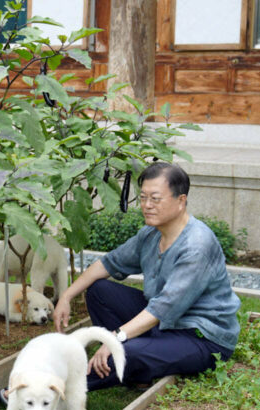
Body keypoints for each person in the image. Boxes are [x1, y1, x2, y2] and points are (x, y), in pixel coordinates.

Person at [51, 161, 241, 390]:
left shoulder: (196, 245)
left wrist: (115, 338)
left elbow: (164, 307)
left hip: (201, 338)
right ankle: (138, 370)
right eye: (143, 198)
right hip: (165, 325)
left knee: (125, 351)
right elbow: (109, 263)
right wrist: (66, 296)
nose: (147, 205)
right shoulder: (151, 234)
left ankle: (49, 388)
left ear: (181, 201)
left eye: (155, 198)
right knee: (99, 291)